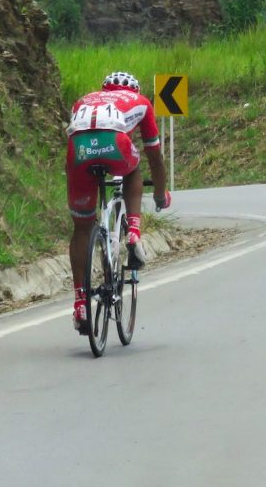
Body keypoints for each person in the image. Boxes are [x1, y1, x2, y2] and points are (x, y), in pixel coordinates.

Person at [65, 71, 171, 334]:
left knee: (82, 227)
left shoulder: (84, 100)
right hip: (115, 144)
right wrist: (160, 193)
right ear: (134, 89)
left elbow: (79, 133)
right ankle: (133, 233)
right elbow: (155, 157)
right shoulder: (141, 101)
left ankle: (80, 303)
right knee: (134, 169)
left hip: (78, 150)